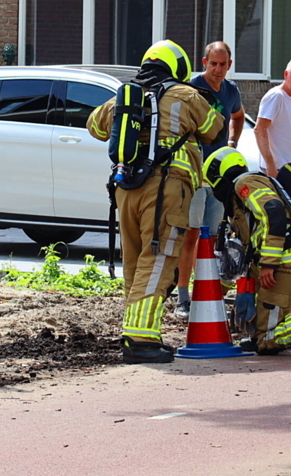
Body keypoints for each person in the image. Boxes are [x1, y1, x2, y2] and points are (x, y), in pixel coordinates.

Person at [87, 39, 224, 363]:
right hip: (165, 189)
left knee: (135, 262)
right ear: (178, 67)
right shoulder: (186, 95)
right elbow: (214, 130)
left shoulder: (125, 96)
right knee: (159, 258)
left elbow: (94, 126)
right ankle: (141, 340)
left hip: (126, 189)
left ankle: (135, 332)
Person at [203, 146, 291, 356]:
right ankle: (272, 331)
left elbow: (273, 211)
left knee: (265, 341)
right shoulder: (246, 192)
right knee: (261, 334)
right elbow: (250, 244)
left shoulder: (245, 184)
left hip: (286, 265)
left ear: (218, 176)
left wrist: (269, 264)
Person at [175, 41, 245, 319]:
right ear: (204, 63)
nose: (218, 69)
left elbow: (237, 116)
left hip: (217, 177)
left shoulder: (231, 90)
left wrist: (233, 141)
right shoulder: (191, 87)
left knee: (212, 237)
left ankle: (206, 292)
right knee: (190, 235)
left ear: (230, 65)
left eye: (223, 64)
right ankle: (182, 297)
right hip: (192, 174)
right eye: (213, 64)